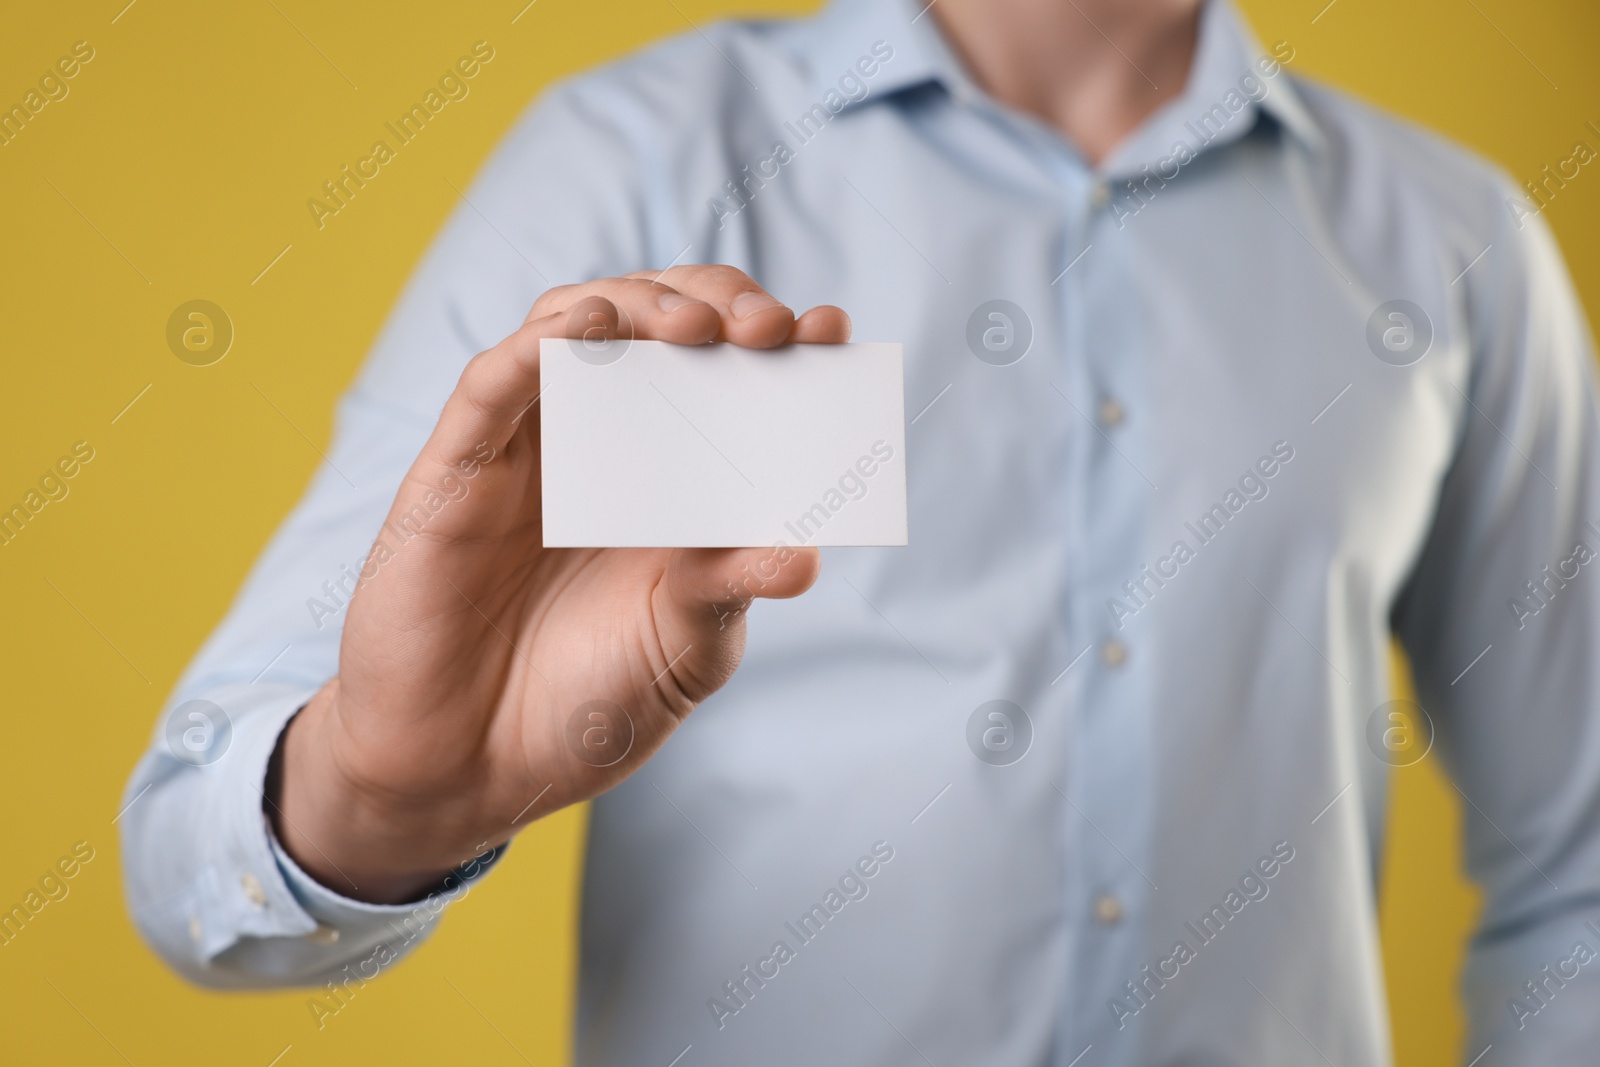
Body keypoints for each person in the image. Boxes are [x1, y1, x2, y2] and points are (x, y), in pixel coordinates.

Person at [122, 0, 1600, 1062]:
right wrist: (386, 799)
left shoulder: (1457, 250)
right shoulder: (631, 158)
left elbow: (1579, 875)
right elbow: (191, 854)